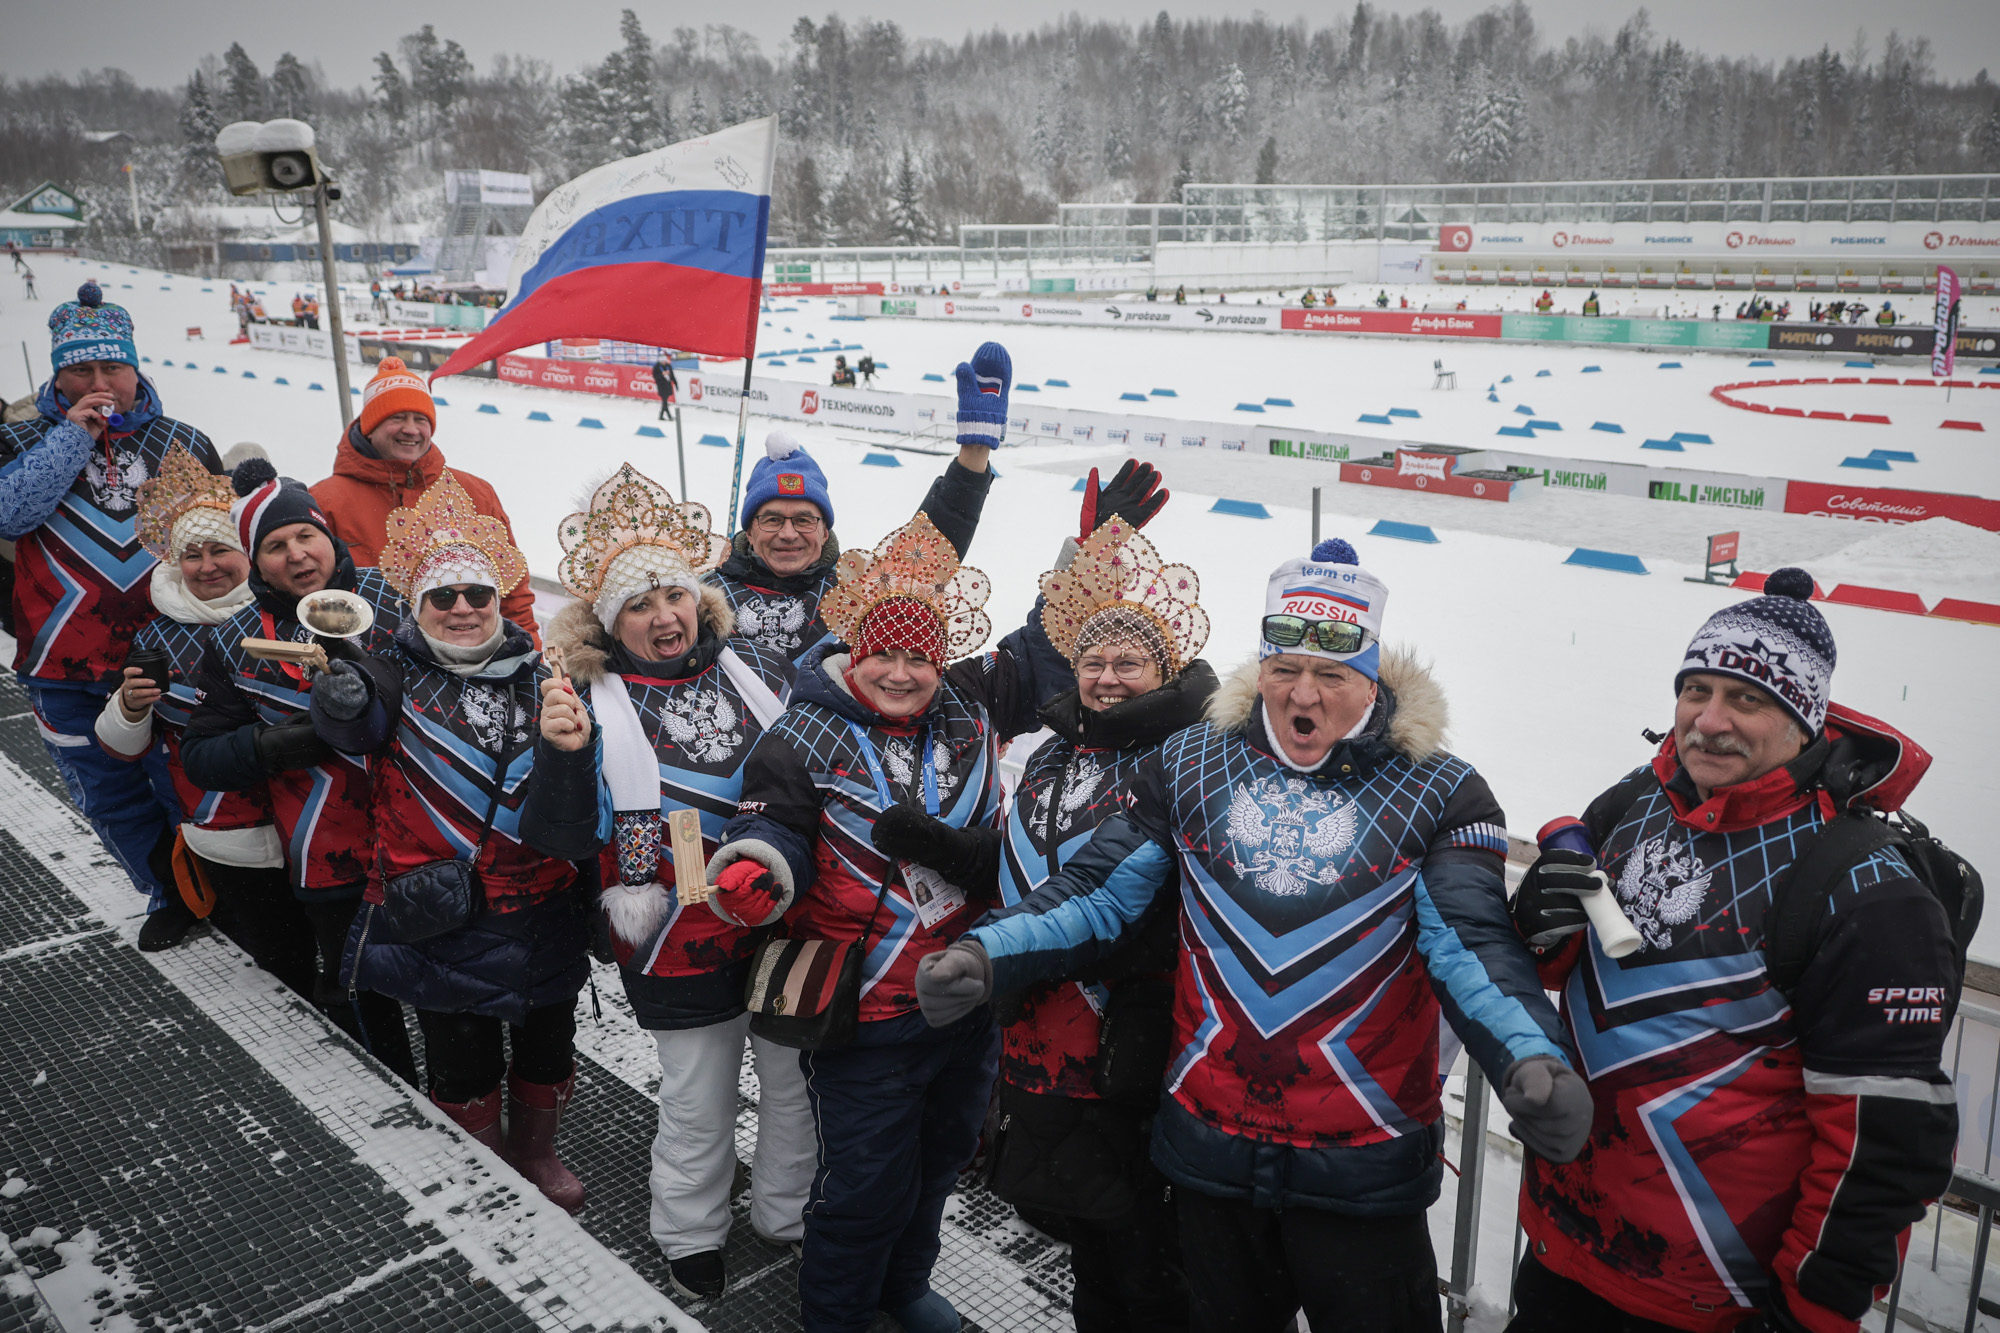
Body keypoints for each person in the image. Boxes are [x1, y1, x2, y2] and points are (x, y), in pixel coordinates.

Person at [921, 538, 1589, 1333]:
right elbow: (1099, 891)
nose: (1303, 694)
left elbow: (1470, 939)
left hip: (1361, 1160)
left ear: (1370, 677)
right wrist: (985, 952)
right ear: (1260, 667)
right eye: (1285, 669)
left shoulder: (1441, 788)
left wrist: (1530, 1054)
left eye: (1332, 675)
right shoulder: (1191, 760)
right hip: (1210, 1149)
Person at [714, 357, 1073, 1333]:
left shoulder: (967, 705)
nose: (903, 669)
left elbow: (1041, 647)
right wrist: (754, 871)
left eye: (919, 654)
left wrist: (1088, 544)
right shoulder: (806, 728)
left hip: (963, 993)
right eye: (884, 653)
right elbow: (769, 825)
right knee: (862, 1181)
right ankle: (835, 1315)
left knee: (937, 1162)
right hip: (866, 1008)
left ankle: (902, 1288)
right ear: (853, 652)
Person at [1505, 569, 1961, 1333]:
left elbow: (1883, 1142)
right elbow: (1561, 969)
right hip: (1563, 1255)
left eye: (1746, 700)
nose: (1708, 721)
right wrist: (1540, 921)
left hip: (1717, 1304)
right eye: (1695, 691)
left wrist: (1808, 1313)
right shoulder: (1638, 799)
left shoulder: (1865, 888)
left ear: (1802, 717)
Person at [528, 463, 812, 1298]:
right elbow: (559, 833)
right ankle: (690, 1225)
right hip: (675, 936)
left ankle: (786, 1208)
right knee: (699, 1094)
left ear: (701, 598)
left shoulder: (757, 671)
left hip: (779, 915)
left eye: (675, 596)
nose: (665, 616)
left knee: (794, 1082)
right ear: (610, 620)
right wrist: (564, 756)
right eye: (640, 604)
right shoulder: (584, 694)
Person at [304, 473, 590, 1210]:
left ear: (500, 598)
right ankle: (482, 1167)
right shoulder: (389, 674)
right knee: (462, 1063)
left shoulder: (547, 677)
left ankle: (536, 1150)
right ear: (417, 606)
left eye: (477, 594)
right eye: (443, 597)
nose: (462, 608)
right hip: (442, 916)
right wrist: (336, 699)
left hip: (541, 908)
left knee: (547, 1047)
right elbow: (354, 723)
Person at [983, 510, 1207, 1333]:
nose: (1108, 677)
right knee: (1092, 1240)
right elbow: (1020, 858)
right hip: (1046, 1029)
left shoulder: (1187, 759)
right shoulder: (1052, 751)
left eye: (1130, 662)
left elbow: (1177, 900)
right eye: (1094, 661)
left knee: (1150, 1258)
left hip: (1137, 1035)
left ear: (1168, 668)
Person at [181, 461, 417, 1084]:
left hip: (425, 835)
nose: (297, 555)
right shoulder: (234, 639)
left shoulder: (394, 598)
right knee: (362, 986)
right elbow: (200, 758)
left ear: (329, 536)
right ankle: (397, 1095)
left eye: (305, 536)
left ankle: (464, 1095)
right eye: (275, 546)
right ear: (256, 565)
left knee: (453, 983)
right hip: (327, 852)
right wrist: (270, 746)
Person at [0, 282, 224, 938]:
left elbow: (222, 540)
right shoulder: (21, 440)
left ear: (135, 368)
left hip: (175, 660)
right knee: (109, 794)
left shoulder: (183, 439)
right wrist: (70, 440)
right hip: (64, 664)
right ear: (58, 374)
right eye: (81, 369)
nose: (99, 383)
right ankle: (168, 894)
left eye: (112, 368)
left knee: (188, 785)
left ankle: (222, 897)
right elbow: (11, 513)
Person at [91, 444, 319, 982]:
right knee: (279, 959)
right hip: (227, 831)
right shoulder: (156, 635)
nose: (208, 565)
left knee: (338, 952)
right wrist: (128, 706)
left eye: (221, 549)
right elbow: (121, 747)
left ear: (249, 554)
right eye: (192, 555)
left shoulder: (289, 611)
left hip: (316, 822)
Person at [708, 352, 1001, 667]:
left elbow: (927, 550)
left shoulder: (858, 589)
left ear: (824, 531)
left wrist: (974, 452)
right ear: (750, 532)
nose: (788, 533)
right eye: (772, 520)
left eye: (804, 520)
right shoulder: (705, 598)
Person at [311, 356, 538, 642]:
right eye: (396, 418)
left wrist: (532, 656)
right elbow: (315, 601)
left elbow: (512, 591)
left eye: (421, 419)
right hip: (372, 664)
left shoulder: (474, 492)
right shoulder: (326, 501)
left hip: (469, 663)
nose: (411, 429)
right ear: (370, 426)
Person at [650, 354, 678, 421]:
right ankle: (669, 416)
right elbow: (655, 377)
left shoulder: (668, 366)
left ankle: (661, 416)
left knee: (664, 402)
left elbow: (672, 376)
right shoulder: (657, 367)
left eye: (664, 361)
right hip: (661, 386)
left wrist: (676, 384)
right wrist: (662, 374)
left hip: (668, 386)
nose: (664, 362)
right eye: (662, 361)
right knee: (665, 401)